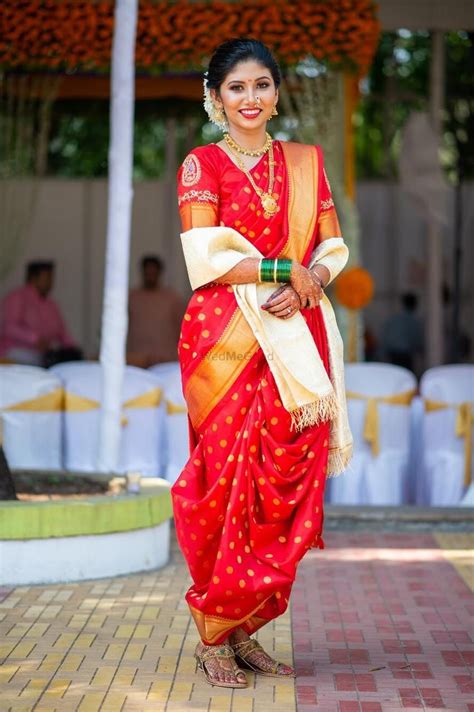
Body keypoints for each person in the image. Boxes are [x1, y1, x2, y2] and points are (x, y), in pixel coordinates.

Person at [171, 39, 352, 689]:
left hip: (293, 337)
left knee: (281, 492)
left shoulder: (305, 163)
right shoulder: (202, 165)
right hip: (225, 342)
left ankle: (243, 629)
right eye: (237, 87)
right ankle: (213, 637)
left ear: (277, 92)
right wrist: (286, 268)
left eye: (262, 85)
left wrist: (314, 279)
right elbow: (202, 254)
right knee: (225, 487)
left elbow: (333, 244)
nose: (251, 98)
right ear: (215, 97)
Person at [0, 260, 80, 366]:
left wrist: (74, 350)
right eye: (47, 278)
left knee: (68, 361)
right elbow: (9, 327)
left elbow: (62, 333)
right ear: (33, 278)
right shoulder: (17, 297)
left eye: (51, 278)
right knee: (37, 361)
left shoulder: (51, 305)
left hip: (43, 355)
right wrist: (35, 339)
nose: (51, 282)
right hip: (16, 351)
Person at [126, 255, 185, 367]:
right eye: (147, 273)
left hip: (165, 360)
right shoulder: (131, 297)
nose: (150, 276)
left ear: (159, 273)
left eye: (153, 273)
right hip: (136, 359)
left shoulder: (172, 299)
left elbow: (183, 329)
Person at [382, 293, 423, 372]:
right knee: (406, 379)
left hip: (393, 355)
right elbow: (417, 341)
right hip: (405, 357)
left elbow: (385, 337)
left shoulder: (394, 318)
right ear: (415, 304)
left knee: (395, 377)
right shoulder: (414, 321)